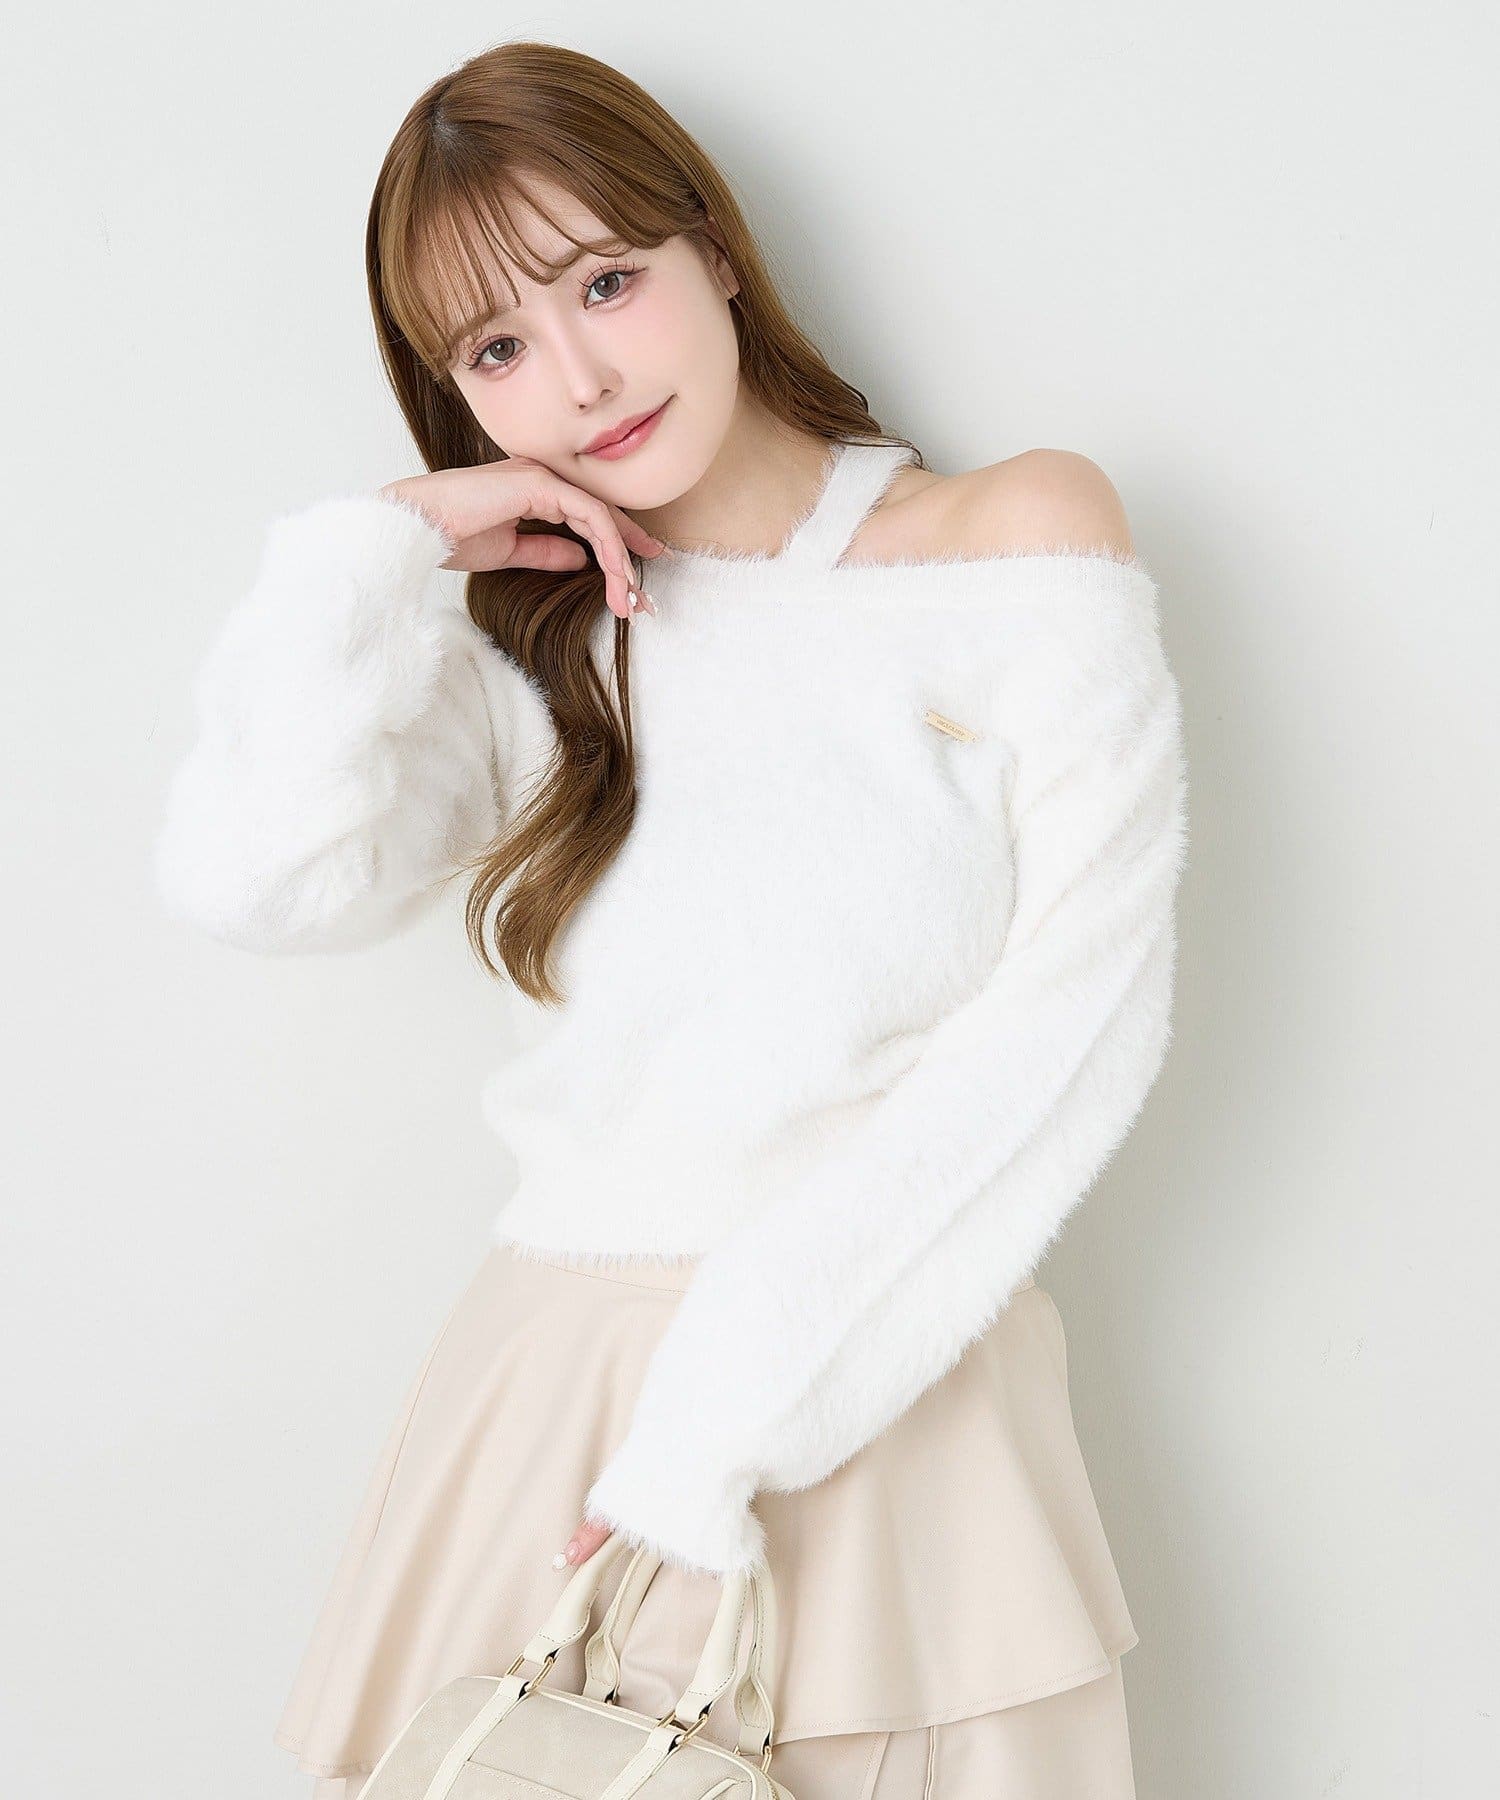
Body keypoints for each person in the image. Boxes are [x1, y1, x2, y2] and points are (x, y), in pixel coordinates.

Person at [153, 39, 1187, 1800]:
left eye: (604, 283)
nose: (579, 380)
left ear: (712, 247)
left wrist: (725, 1414)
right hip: (561, 1412)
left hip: (893, 1391)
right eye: (495, 349)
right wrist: (381, 548)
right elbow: (256, 881)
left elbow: (1069, 1032)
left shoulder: (1011, 541)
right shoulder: (530, 650)